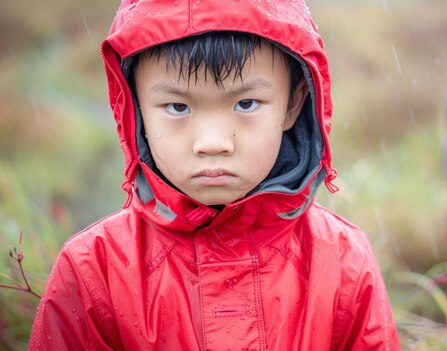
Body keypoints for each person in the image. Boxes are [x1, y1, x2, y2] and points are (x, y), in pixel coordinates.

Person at [29, 0, 400, 349]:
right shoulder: (92, 272)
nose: (212, 143)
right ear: (137, 106)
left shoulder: (345, 263)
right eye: (177, 106)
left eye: (245, 103)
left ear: (293, 103)